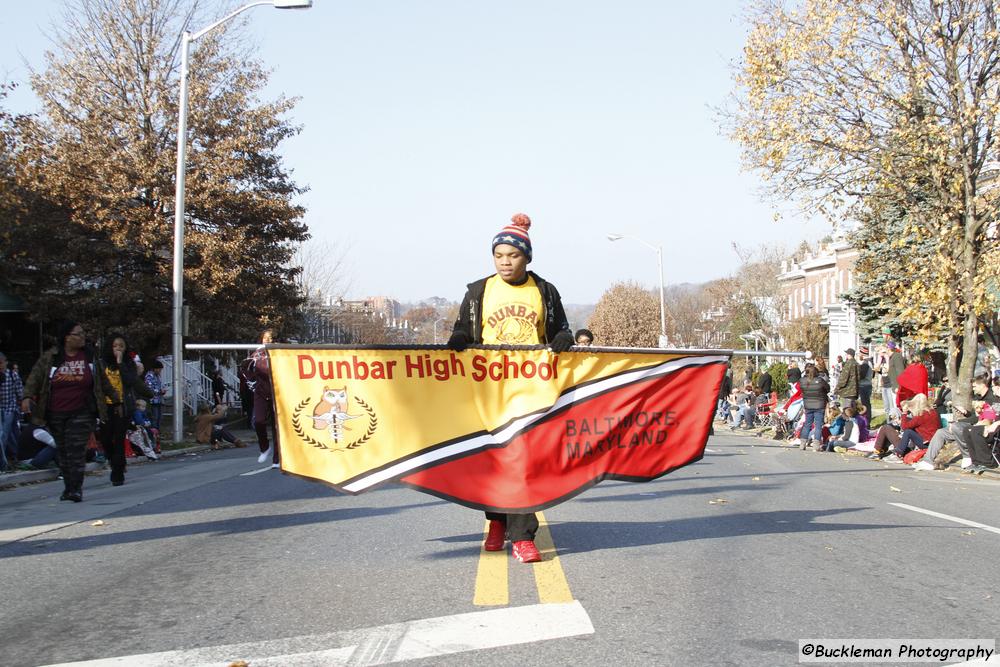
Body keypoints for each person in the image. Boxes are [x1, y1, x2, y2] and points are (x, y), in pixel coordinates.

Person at [447, 212, 574, 564]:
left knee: (522, 460)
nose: (505, 262)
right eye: (499, 255)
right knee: (495, 459)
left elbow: (560, 328)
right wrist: (458, 338)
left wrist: (563, 337)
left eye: (513, 255)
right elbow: (463, 331)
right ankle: (497, 523)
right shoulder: (478, 291)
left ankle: (522, 537)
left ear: (526, 258)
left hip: (531, 387)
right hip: (488, 388)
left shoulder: (545, 291)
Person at [21, 321, 114, 502]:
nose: (82, 337)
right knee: (62, 451)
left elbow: (102, 380)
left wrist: (115, 400)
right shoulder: (51, 357)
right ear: (67, 338)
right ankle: (68, 488)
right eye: (78, 334)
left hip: (82, 410)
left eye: (82, 333)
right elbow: (35, 377)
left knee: (76, 450)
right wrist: (27, 396)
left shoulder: (89, 356)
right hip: (55, 411)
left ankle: (75, 489)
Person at [98, 333, 154, 486]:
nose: (118, 349)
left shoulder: (128, 363)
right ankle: (116, 461)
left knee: (119, 438)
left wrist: (120, 363)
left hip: (123, 406)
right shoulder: (101, 363)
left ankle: (117, 474)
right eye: (115, 346)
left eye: (121, 346)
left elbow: (130, 380)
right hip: (106, 406)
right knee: (106, 438)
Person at [869, 393, 938, 461]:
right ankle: (882, 450)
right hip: (932, 442)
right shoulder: (933, 412)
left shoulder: (921, 415)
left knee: (886, 428)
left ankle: (895, 453)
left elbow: (905, 427)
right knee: (890, 428)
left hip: (921, 444)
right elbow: (919, 425)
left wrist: (904, 412)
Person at [251, 329, 279, 467]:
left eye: (270, 338)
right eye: (265, 338)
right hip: (261, 393)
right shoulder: (256, 353)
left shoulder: (279, 354)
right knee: (259, 421)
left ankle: (277, 459)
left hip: (276, 392)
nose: (267, 340)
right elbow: (248, 370)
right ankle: (264, 448)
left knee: (277, 427)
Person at [0, 351, 25, 471]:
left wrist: (22, 402)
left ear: (5, 362)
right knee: (7, 434)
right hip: (0, 408)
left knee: (5, 433)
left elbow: (20, 391)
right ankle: (11, 455)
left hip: (10, 407)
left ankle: (5, 460)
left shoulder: (12, 375)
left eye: (1, 363)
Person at [799, 364, 829, 451]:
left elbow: (802, 390)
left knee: (807, 424)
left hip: (808, 404)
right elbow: (828, 388)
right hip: (819, 404)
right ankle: (816, 445)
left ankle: (802, 443)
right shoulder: (820, 380)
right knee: (818, 425)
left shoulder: (802, 381)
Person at [143, 360, 166, 431]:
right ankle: (153, 432)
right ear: (155, 368)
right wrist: (159, 391)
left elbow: (160, 385)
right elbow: (149, 388)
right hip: (153, 401)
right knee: (154, 417)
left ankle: (158, 431)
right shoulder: (149, 376)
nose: (160, 371)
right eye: (159, 369)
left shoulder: (158, 376)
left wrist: (162, 390)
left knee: (159, 417)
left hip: (159, 400)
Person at [857, 346, 874, 419]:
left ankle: (866, 422)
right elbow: (873, 375)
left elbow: (862, 375)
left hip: (864, 386)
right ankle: (867, 421)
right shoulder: (870, 362)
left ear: (862, 354)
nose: (858, 356)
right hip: (868, 384)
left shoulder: (865, 363)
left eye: (859, 354)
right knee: (867, 404)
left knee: (865, 405)